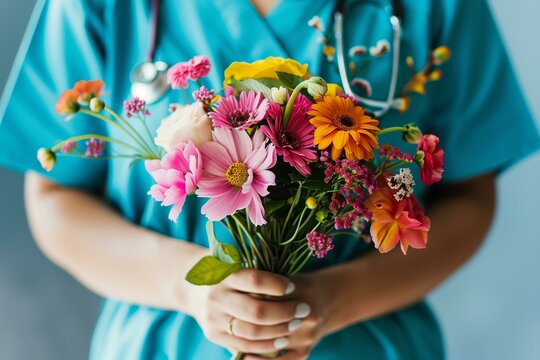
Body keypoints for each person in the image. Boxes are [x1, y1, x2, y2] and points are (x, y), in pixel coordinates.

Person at [0, 0, 538, 359]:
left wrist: (333, 301)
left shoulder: (434, 9)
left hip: (364, 340)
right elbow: (54, 196)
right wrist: (189, 285)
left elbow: (469, 195)